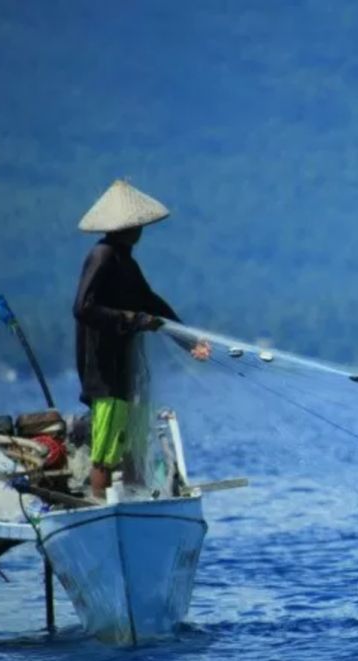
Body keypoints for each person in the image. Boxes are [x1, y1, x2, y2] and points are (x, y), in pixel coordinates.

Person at [73, 179, 209, 499]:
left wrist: (187, 340)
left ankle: (135, 500)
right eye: (137, 225)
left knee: (133, 442)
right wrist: (130, 320)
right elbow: (83, 308)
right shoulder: (102, 256)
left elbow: (150, 303)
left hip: (124, 367)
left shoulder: (126, 262)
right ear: (123, 227)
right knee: (104, 452)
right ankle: (100, 505)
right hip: (102, 370)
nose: (141, 231)